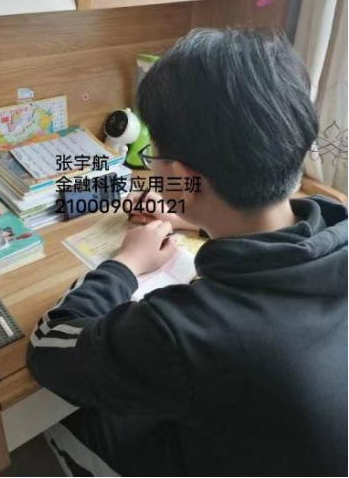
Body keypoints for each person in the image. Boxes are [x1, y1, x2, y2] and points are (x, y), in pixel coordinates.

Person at [27, 28, 348, 478]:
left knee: (66, 418)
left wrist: (125, 264)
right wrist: (195, 216)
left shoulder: (184, 329)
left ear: (180, 174)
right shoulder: (333, 219)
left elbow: (47, 347)